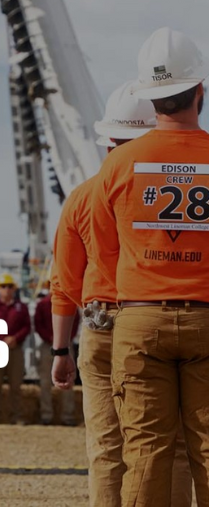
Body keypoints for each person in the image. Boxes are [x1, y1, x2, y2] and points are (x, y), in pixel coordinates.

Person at [77, 28, 209, 505]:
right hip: (207, 317)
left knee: (146, 450)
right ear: (200, 92)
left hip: (137, 320)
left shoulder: (118, 165)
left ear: (150, 101)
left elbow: (104, 255)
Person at [51, 78, 192, 506]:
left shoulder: (83, 196)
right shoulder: (171, 188)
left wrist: (60, 350)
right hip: (158, 319)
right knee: (175, 448)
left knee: (108, 449)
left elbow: (65, 280)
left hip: (101, 325)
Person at [0, 273, 30, 425]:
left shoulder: (21, 307)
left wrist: (15, 338)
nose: (7, 289)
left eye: (10, 286)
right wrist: (2, 340)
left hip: (15, 349)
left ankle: (16, 416)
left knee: (16, 385)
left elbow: (26, 326)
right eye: (3, 286)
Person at [33, 282, 76, 426]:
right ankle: (47, 415)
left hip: (58, 344)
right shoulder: (43, 305)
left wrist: (59, 341)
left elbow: (75, 323)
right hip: (49, 345)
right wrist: (55, 339)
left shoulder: (69, 302)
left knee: (68, 381)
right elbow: (38, 325)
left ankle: (67, 416)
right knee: (45, 382)